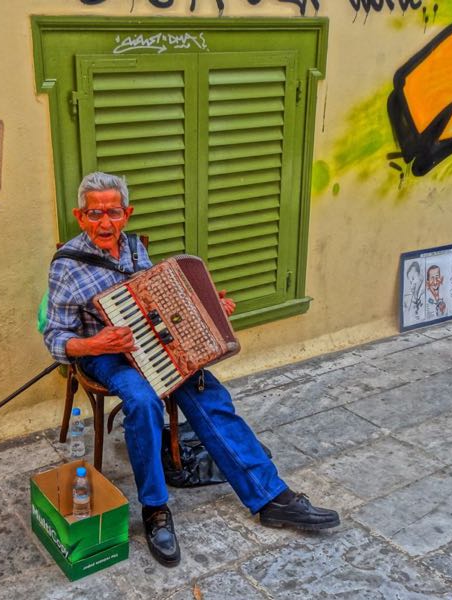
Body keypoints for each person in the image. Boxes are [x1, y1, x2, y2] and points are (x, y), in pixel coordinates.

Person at [44, 172, 340, 567]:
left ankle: (270, 497)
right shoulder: (67, 266)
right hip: (104, 354)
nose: (104, 222)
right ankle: (155, 511)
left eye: (113, 212)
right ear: (80, 217)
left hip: (149, 344)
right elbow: (55, 337)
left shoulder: (134, 249)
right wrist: (96, 344)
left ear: (126, 214)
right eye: (94, 213)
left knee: (208, 392)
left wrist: (208, 307)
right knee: (144, 400)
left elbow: (155, 304)